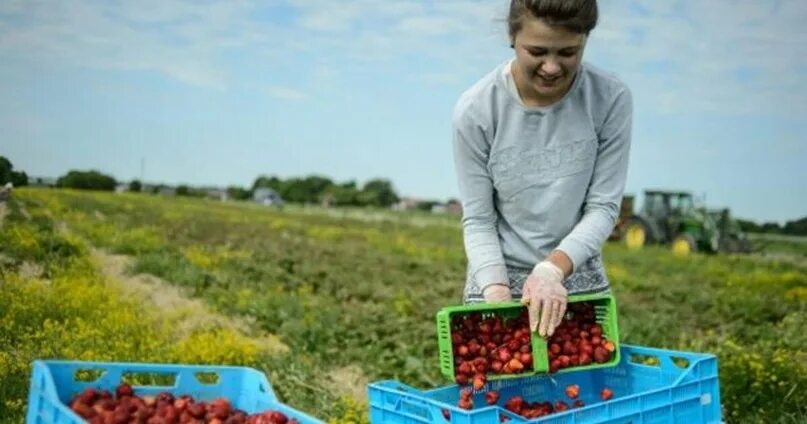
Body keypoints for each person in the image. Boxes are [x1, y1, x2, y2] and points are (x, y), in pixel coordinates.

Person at [451, 0, 632, 338]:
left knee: (582, 387)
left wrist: (552, 270)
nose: (551, 67)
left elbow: (604, 207)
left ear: (586, 40)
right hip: (496, 273)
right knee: (499, 385)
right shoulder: (476, 110)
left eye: (567, 53)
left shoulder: (609, 98)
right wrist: (497, 294)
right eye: (536, 51)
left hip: (574, 274)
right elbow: (478, 219)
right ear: (512, 36)